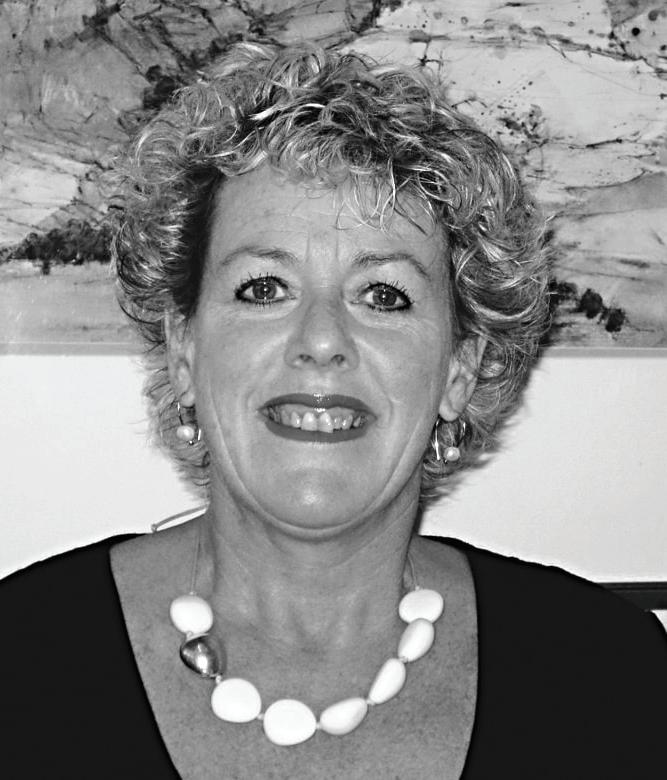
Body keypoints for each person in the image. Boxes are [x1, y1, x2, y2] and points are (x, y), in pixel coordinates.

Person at [1, 43, 665, 779]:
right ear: (185, 349)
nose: (321, 341)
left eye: (384, 295)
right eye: (264, 288)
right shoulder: (19, 659)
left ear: (459, 369)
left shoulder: (613, 674)